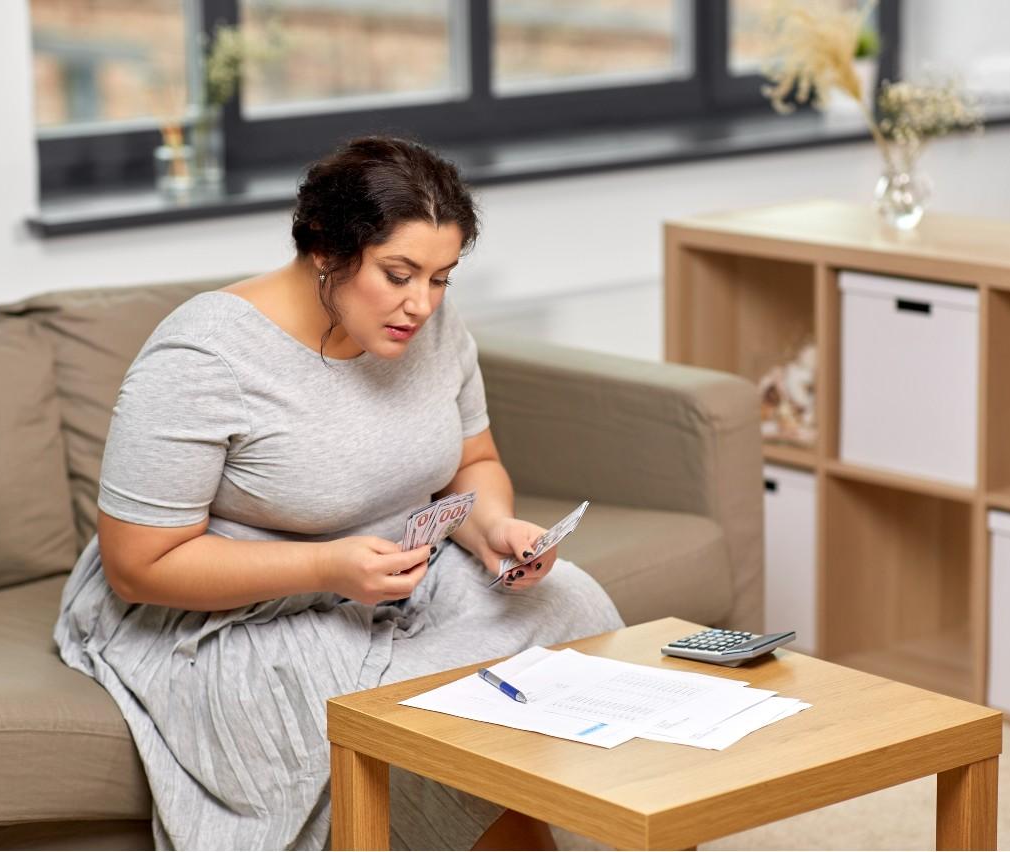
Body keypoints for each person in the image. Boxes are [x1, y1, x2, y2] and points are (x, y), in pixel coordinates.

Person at [54, 134, 625, 851]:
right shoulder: (204, 358)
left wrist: (494, 528)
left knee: (569, 603)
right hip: (225, 610)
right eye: (399, 273)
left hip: (394, 572)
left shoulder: (433, 326)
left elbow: (472, 460)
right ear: (326, 247)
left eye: (441, 277)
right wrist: (327, 568)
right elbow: (139, 564)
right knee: (420, 715)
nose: (421, 304)